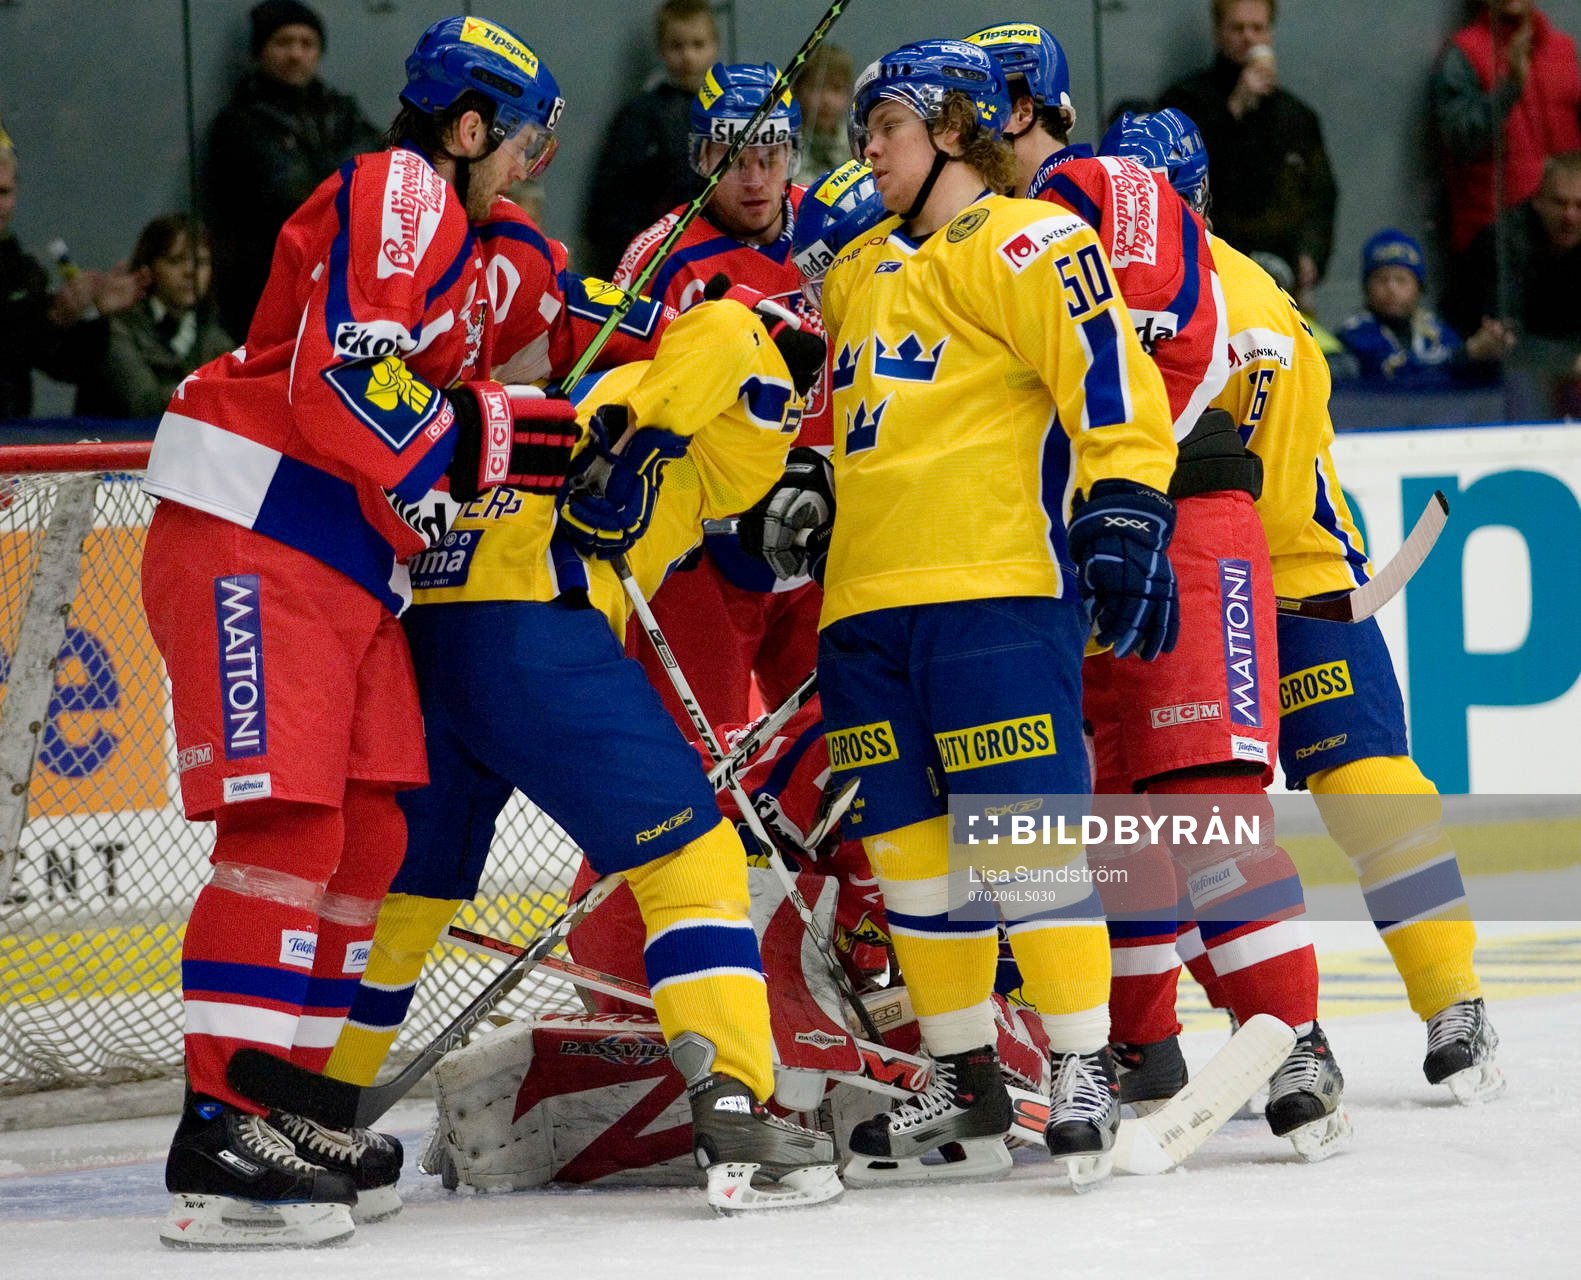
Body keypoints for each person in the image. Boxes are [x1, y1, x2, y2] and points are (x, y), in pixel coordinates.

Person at [142, 15, 581, 1248]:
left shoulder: (475, 235)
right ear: (471, 123)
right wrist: (495, 434)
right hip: (258, 530)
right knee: (286, 822)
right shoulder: (403, 187)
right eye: (523, 141)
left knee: (374, 822)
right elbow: (343, 374)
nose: (529, 168)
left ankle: (288, 1100)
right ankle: (221, 1123)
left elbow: (512, 343)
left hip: (349, 566)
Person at [321, 298, 842, 1216]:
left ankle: (321, 1130)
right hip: (532, 632)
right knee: (693, 858)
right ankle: (735, 1115)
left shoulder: (569, 400)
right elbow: (728, 335)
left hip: (426, 638)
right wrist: (642, 442)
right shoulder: (711, 387)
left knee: (410, 898)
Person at [771, 40, 1179, 1188]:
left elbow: (1107, 372)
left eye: (885, 126)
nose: (866, 151)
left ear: (953, 126)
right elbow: (836, 411)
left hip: (993, 587)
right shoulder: (855, 273)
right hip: (862, 606)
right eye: (858, 134)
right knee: (909, 854)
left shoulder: (1031, 237)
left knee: (1026, 838)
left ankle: (1083, 1060)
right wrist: (804, 480)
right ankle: (966, 1072)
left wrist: (1130, 502)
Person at [966, 22, 1338, 1157]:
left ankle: (1297, 1029)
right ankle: (1140, 1037)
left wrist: (1127, 477)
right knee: (1109, 816)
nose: (952, 136)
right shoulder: (969, 232)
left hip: (1172, 514)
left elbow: (1163, 344)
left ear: (1027, 110)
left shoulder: (1101, 186)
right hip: (1049, 550)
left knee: (1205, 802)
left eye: (968, 115)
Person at [1108, 108, 1505, 1115]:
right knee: (1194, 821)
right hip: (1221, 574)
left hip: (1255, 574)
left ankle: (1415, 1007)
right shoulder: (1178, 289)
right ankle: (1304, 1024)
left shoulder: (1225, 300)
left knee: (1341, 791)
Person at [614, 63, 829, 735]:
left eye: (770, 155)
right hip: (703, 550)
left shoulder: (836, 231)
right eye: (731, 157)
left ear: (793, 151)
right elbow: (626, 405)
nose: (754, 177)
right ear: (699, 156)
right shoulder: (660, 258)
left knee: (848, 737)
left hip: (822, 529)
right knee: (690, 753)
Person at [204, 0, 380, 340]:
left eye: (307, 43)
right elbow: (290, 194)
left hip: (342, 285)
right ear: (259, 52)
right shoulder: (238, 123)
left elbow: (383, 167)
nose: (296, 54)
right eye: (283, 42)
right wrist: (347, 172)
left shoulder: (342, 110)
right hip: (266, 288)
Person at [1158, 0, 1337, 294]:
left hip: (1281, 270)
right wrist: (1236, 106)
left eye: (1258, 28)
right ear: (1218, 33)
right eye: (1238, 28)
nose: (1249, 37)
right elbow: (1176, 181)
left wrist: (1312, 254)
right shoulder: (1184, 102)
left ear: (1270, 34)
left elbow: (1321, 192)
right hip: (1210, 267)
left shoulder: (1297, 116)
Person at [0, 120, 143, 419]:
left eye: (4, 192)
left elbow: (65, 365)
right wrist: (52, 317)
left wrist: (91, 313)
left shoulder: (21, 272)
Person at [1431, 0, 1581, 260]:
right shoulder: (1465, 52)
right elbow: (1459, 140)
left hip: (1566, 235)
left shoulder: (1563, 50)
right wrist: (1509, 88)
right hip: (1497, 243)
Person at [581, 0, 719, 277]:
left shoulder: (730, 110)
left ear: (714, 45)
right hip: (659, 258)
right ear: (661, 49)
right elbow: (613, 203)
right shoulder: (640, 115)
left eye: (698, 44)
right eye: (677, 46)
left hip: (717, 250)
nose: (688, 56)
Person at [1447, 151, 1581, 411]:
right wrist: (1571, 358)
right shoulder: (1503, 245)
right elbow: (1503, 339)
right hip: (1480, 383)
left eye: (1580, 205)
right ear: (1537, 201)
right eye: (1559, 203)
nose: (1570, 216)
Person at [74, 215, 234, 418]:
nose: (191, 272)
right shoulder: (120, 327)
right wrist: (213, 390)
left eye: (201, 262)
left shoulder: (216, 337)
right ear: (148, 268)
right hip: (123, 444)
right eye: (176, 261)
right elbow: (144, 404)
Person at [1336, 227, 1511, 390]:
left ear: (1419, 287)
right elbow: (1395, 372)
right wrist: (1467, 354)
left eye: (1401, 280)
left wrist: (1489, 354)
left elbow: (1466, 377)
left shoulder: (1435, 330)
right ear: (1366, 288)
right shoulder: (1354, 333)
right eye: (1381, 279)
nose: (1391, 289)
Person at [792, 44, 856, 185]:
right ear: (797, 90)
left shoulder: (858, 144)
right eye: (817, 87)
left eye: (837, 88)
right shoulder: (786, 145)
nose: (827, 99)